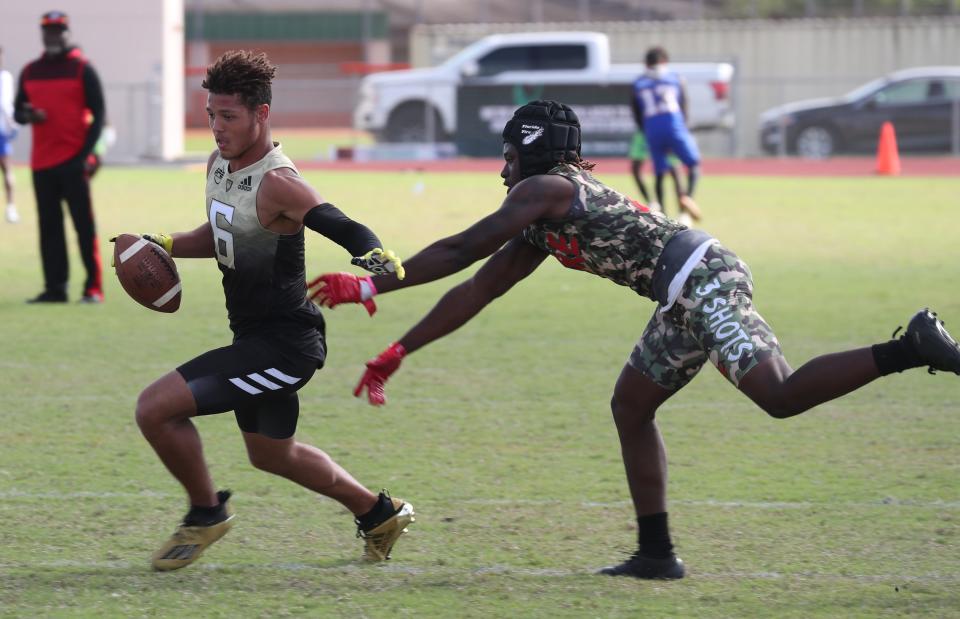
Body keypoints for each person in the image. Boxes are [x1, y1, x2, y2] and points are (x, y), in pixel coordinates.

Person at [309, 100, 960, 579]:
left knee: (779, 394)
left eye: (509, 154)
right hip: (681, 292)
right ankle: (656, 551)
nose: (503, 169)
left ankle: (912, 346)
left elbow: (459, 247)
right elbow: (477, 288)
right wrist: (399, 351)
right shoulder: (544, 213)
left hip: (701, 280)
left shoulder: (547, 188)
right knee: (631, 405)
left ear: (531, 153)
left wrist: (369, 285)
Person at [122, 50, 414, 571]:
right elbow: (220, 235)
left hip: (284, 345)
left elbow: (336, 221)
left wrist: (372, 253)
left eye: (228, 116)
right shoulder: (218, 165)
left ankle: (206, 513)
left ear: (262, 113)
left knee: (155, 408)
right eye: (211, 114)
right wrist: (163, 241)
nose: (216, 127)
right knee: (271, 453)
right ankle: (378, 514)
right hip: (254, 339)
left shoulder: (279, 181)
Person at [13, 11, 105, 303]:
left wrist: (84, 156)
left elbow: (99, 116)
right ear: (43, 34)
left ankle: (93, 287)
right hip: (41, 164)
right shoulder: (29, 71)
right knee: (49, 229)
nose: (53, 36)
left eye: (58, 31)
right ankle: (55, 289)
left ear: (67, 33)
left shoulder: (82, 68)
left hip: (73, 162)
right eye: (48, 31)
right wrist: (28, 114)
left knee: (83, 227)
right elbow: (18, 112)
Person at [632, 46, 702, 223]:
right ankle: (687, 199)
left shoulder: (639, 83)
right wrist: (682, 127)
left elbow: (636, 111)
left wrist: (646, 130)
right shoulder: (675, 79)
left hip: (651, 130)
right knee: (692, 165)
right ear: (665, 61)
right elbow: (684, 105)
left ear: (646, 64)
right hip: (674, 127)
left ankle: (661, 214)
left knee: (659, 173)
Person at [0, 46, 18, 223]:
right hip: (2, 130)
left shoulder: (5, 77)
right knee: (7, 170)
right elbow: (5, 105)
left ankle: (11, 208)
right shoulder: (5, 78)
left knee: (7, 169)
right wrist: (12, 125)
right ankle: (10, 208)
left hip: (1, 131)